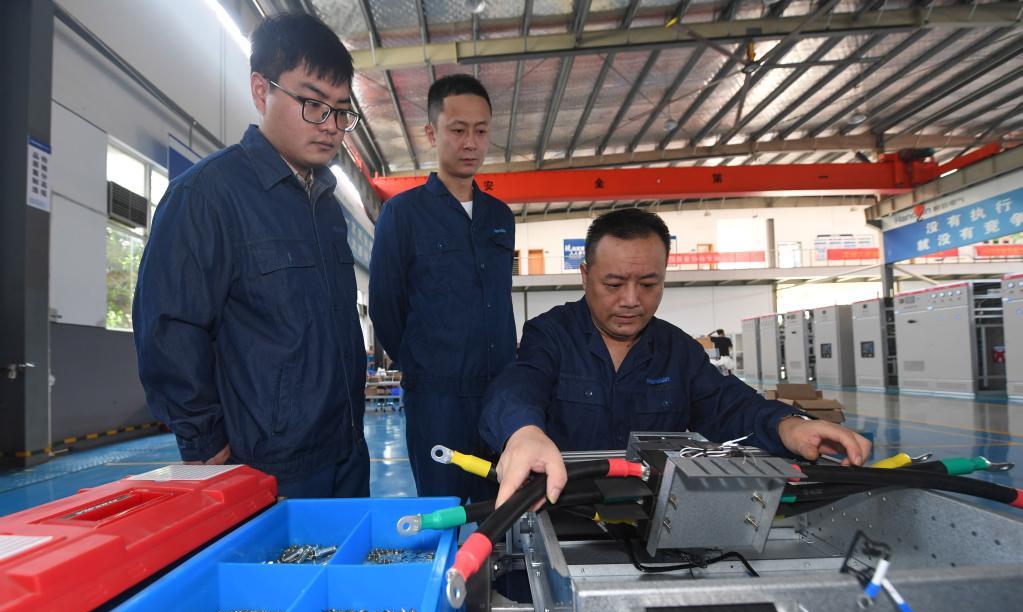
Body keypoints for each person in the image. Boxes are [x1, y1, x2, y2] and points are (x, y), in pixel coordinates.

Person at [479, 208, 872, 506]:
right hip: (564, 510)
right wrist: (524, 433)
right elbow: (519, 385)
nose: (631, 300)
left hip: (652, 518)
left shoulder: (677, 351)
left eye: (648, 284)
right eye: (613, 284)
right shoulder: (552, 334)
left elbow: (729, 405)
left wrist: (789, 426)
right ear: (585, 275)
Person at [133, 13, 369, 498]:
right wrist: (205, 443)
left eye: (342, 112)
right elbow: (169, 326)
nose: (331, 127)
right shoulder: (206, 196)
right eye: (313, 104)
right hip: (266, 466)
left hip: (345, 453)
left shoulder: (326, 205)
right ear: (262, 91)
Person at [370, 74, 515, 502]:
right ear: (432, 133)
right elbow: (385, 307)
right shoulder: (402, 214)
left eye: (481, 131)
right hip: (437, 401)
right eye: (458, 130)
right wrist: (425, 365)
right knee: (441, 509)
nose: (470, 143)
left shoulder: (500, 217)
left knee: (501, 508)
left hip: (499, 394)